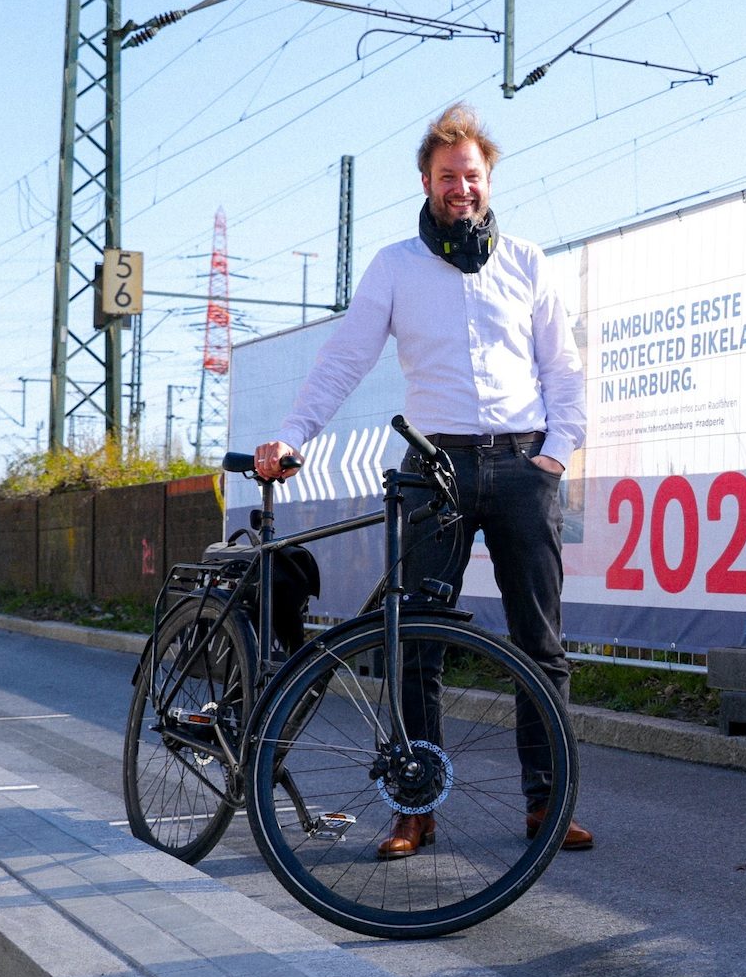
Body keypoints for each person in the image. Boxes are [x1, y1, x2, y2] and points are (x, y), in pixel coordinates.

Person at [254, 103, 592, 856]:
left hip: (522, 463)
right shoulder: (395, 266)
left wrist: (556, 454)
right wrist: (295, 435)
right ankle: (416, 807)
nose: (461, 189)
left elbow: (563, 370)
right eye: (448, 177)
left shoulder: (527, 262)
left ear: (489, 178)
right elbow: (344, 359)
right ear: (425, 182)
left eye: (472, 175)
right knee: (412, 644)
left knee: (541, 645)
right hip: (432, 465)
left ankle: (548, 806)